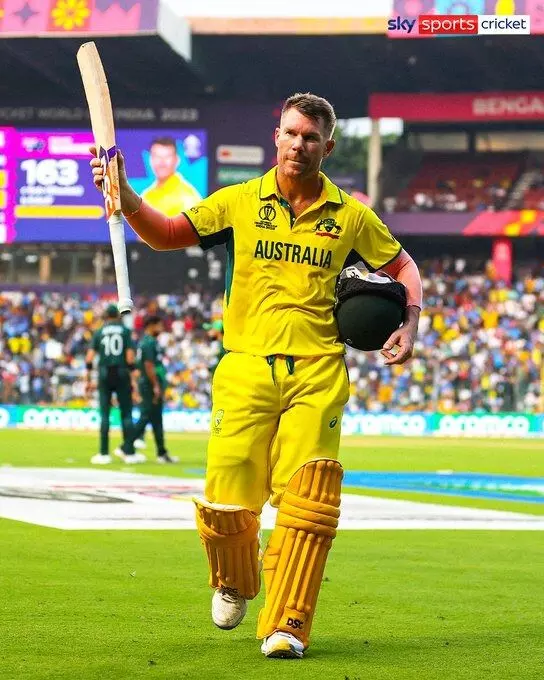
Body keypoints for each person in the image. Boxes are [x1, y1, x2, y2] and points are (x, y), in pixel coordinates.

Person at [89, 92, 422, 659]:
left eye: (311, 137)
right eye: (291, 133)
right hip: (244, 366)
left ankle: (287, 624)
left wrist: (409, 323)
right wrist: (125, 195)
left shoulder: (351, 216)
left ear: (328, 148)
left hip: (318, 369)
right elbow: (165, 233)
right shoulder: (238, 202)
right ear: (277, 136)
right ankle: (233, 579)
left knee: (307, 500)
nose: (298, 145)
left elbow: (402, 265)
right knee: (227, 498)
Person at [86, 304, 145, 465]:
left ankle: (103, 453)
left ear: (106, 316)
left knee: (105, 414)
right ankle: (129, 453)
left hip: (104, 373)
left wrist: (88, 379)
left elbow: (89, 358)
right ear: (118, 316)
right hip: (121, 372)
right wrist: (133, 376)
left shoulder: (99, 331)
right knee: (126, 413)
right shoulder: (125, 331)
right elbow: (130, 358)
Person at [131, 315, 178, 464]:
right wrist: (156, 385)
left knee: (156, 419)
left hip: (150, 383)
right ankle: (126, 446)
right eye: (159, 325)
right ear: (151, 325)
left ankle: (161, 452)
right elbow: (148, 365)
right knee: (147, 416)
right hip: (150, 385)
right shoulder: (149, 343)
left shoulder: (148, 342)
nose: (161, 328)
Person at [141, 137, 202, 217]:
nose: (161, 162)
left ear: (177, 160)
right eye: (157, 156)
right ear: (150, 159)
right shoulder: (146, 195)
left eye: (167, 156)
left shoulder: (187, 197)